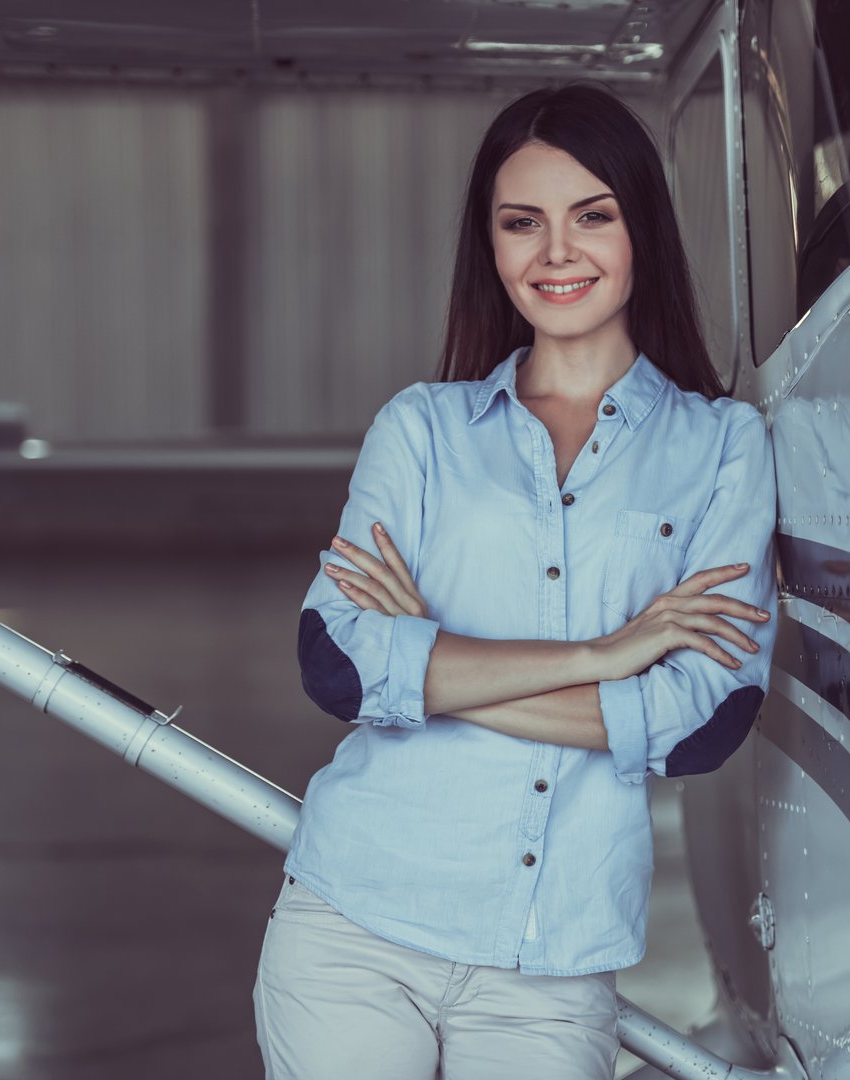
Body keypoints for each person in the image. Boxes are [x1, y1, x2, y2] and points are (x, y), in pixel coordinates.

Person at [252, 83, 779, 1079]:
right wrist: (606, 658)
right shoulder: (422, 428)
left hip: (552, 961)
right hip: (355, 924)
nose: (556, 254)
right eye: (520, 223)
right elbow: (338, 668)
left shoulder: (722, 449)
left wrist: (434, 664)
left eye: (592, 217)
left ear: (642, 232)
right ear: (489, 247)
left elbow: (706, 721)